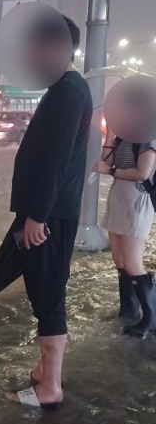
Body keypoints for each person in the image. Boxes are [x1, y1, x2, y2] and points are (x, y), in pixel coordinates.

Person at [7, 16, 92, 411]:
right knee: (44, 291)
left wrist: (37, 216)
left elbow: (57, 161)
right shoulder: (65, 89)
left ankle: (50, 388)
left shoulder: (69, 92)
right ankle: (45, 372)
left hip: (50, 215)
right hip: (48, 212)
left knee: (48, 296)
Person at [93, 134, 156, 336]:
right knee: (119, 259)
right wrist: (112, 133)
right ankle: (129, 310)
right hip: (119, 196)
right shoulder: (125, 134)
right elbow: (106, 161)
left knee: (132, 262)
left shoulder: (148, 134)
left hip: (136, 199)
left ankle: (151, 317)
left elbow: (143, 173)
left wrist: (110, 170)